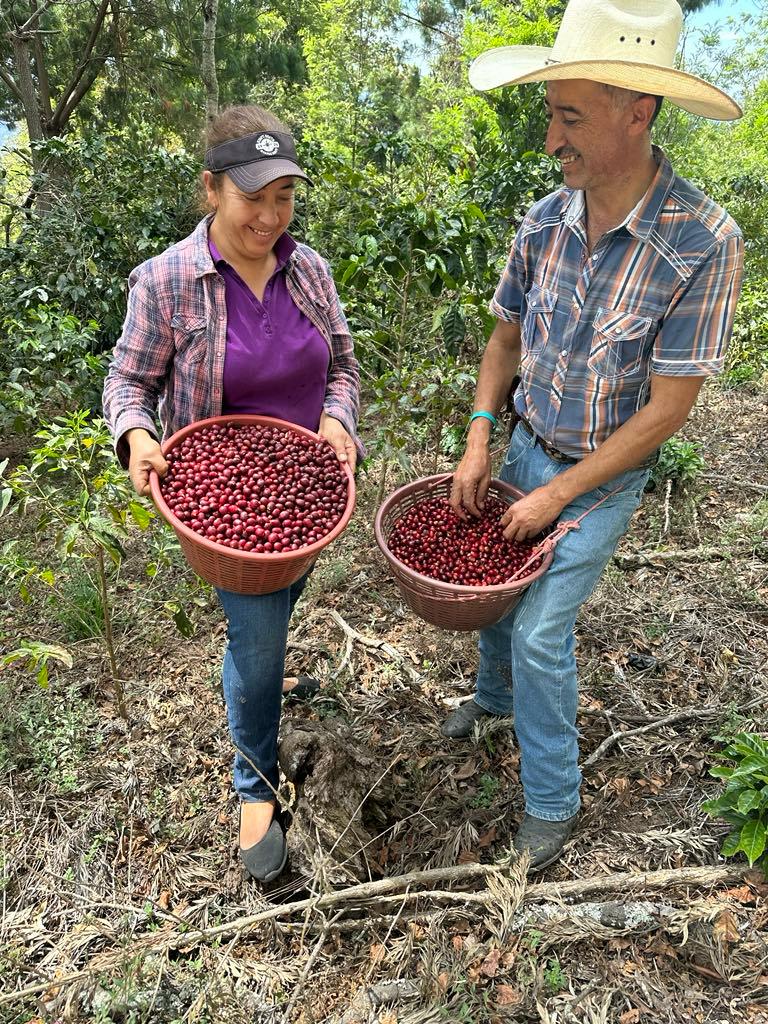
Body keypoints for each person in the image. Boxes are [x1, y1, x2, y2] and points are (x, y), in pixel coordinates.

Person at [443, 0, 744, 871]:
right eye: (552, 114)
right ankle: (493, 701)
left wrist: (558, 492)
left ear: (637, 112)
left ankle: (553, 802)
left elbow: (666, 411)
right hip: (529, 440)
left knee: (540, 629)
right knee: (495, 589)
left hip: (602, 477)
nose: (550, 140)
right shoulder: (544, 220)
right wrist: (479, 439)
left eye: (569, 116)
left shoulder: (702, 243)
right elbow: (505, 338)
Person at [103, 105, 362, 883]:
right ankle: (254, 787)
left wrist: (336, 420)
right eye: (255, 197)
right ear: (210, 189)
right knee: (255, 642)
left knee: (276, 614)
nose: (271, 216)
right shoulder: (166, 281)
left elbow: (345, 368)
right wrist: (137, 435)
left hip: (308, 490)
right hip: (223, 508)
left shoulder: (307, 269)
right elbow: (127, 379)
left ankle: (267, 676)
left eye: (285, 197)